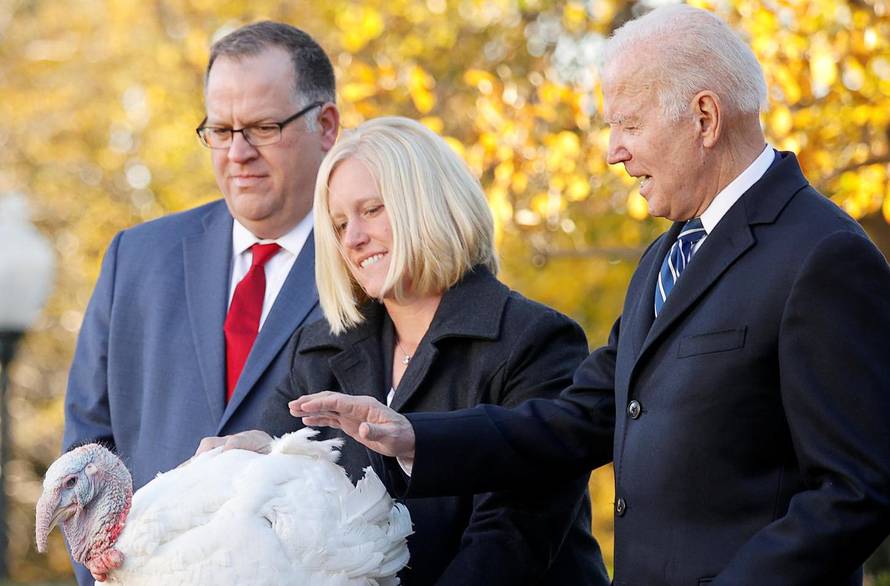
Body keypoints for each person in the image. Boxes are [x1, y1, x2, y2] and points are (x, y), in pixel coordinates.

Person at [291, 6, 890, 585]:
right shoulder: (665, 256)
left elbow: (855, 491)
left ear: (704, 118)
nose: (613, 151)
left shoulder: (823, 255)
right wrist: (415, 437)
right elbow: (576, 421)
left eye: (629, 124)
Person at [201, 116, 609, 584]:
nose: (352, 239)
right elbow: (280, 510)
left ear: (429, 204)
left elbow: (511, 539)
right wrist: (246, 466)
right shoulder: (318, 352)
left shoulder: (536, 340)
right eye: (338, 223)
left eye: (371, 210)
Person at [62, 21, 339, 584]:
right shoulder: (135, 258)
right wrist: (103, 571)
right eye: (219, 129)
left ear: (326, 125)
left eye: (263, 127)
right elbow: (88, 449)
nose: (238, 153)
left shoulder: (369, 261)